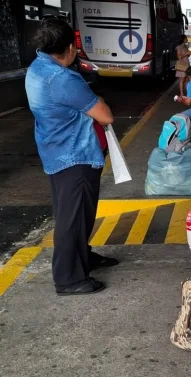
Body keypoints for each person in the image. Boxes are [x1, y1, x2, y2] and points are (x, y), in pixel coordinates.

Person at [25, 18, 118, 295]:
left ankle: (82, 257)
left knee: (76, 213)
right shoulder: (62, 79)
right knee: (72, 217)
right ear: (69, 47)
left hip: (56, 150)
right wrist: (96, 99)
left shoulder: (38, 67)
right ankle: (68, 278)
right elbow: (105, 115)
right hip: (75, 155)